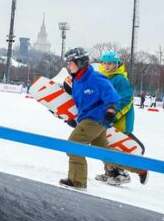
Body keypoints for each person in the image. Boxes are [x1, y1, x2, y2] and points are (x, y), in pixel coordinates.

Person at [58, 47, 148, 189]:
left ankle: (77, 181)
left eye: (70, 63)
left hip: (96, 119)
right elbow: (82, 104)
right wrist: (73, 120)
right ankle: (139, 168)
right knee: (105, 152)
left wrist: (111, 110)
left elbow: (113, 95)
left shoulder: (95, 78)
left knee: (72, 146)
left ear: (80, 62)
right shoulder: (77, 80)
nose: (68, 66)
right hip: (89, 119)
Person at [94, 51, 143, 186]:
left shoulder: (119, 79)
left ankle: (122, 174)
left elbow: (126, 99)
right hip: (106, 117)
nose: (106, 66)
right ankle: (110, 172)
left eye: (109, 63)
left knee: (117, 147)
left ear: (116, 64)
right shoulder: (103, 77)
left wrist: (113, 115)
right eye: (104, 63)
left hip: (120, 119)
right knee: (106, 144)